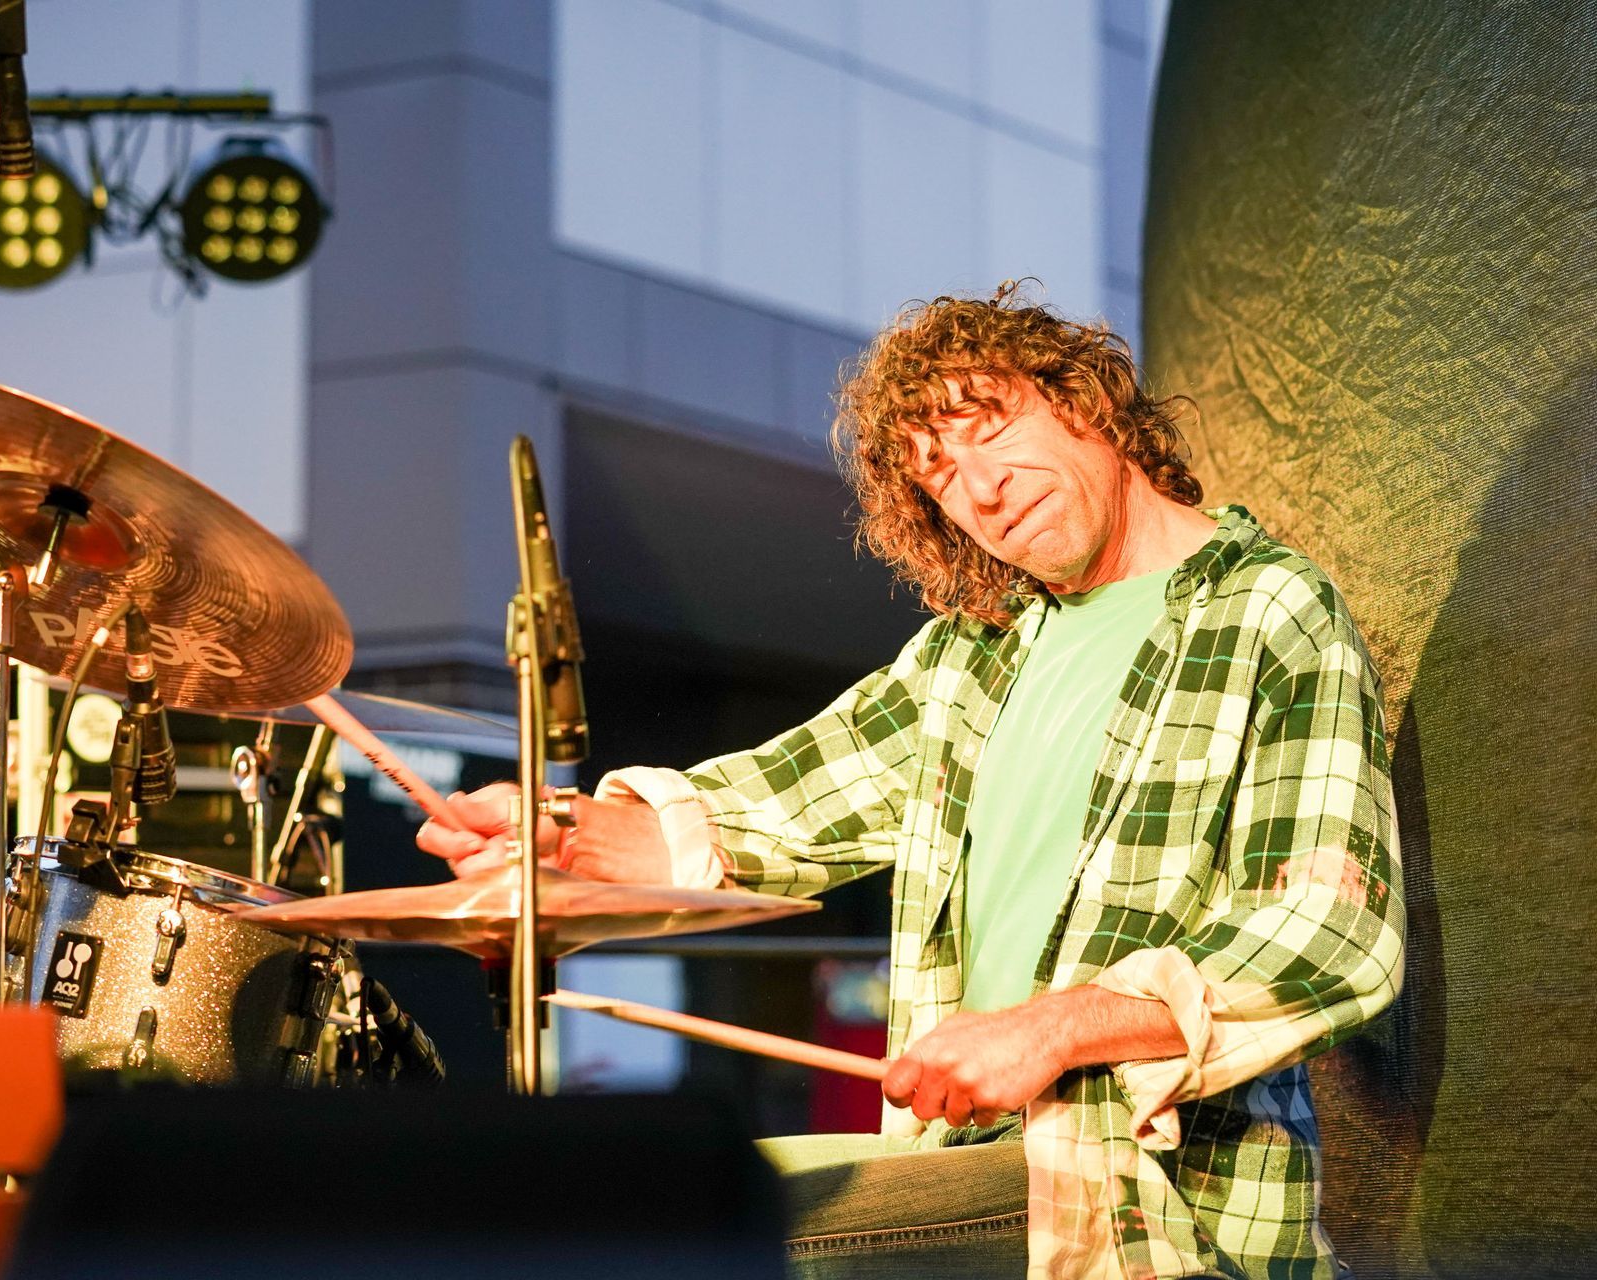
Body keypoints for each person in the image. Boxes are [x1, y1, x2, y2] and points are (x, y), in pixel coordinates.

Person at [419, 286, 1406, 1279]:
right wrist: (554, 831)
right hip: (964, 1165)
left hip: (1143, 1202)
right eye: (941, 476)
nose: (981, 488)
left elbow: (1334, 934)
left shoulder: (1271, 607)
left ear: (1088, 402)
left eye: (992, 426)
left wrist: (1051, 1027)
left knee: (678, 1229)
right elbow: (777, 803)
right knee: (635, 1195)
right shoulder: (970, 656)